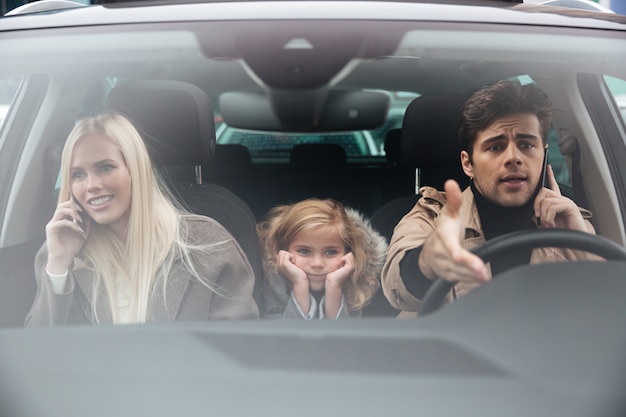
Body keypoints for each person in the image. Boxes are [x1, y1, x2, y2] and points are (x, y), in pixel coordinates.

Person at [382, 79, 600, 313]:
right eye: (496, 147)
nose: (513, 158)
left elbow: (609, 314)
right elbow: (397, 287)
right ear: (468, 164)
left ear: (544, 155)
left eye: (526, 145)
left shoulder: (569, 220)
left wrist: (582, 242)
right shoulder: (430, 216)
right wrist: (427, 262)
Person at [26, 112, 259, 325]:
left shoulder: (209, 245)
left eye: (106, 168)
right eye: (78, 174)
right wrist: (58, 266)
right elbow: (38, 354)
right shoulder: (60, 251)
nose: (92, 185)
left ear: (135, 169)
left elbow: (239, 349)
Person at [257, 198, 387, 319]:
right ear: (283, 250)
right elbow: (290, 341)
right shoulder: (269, 286)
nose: (317, 263)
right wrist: (299, 284)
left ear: (349, 254)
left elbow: (341, 340)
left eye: (330, 252)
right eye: (304, 251)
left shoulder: (358, 284)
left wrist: (334, 287)